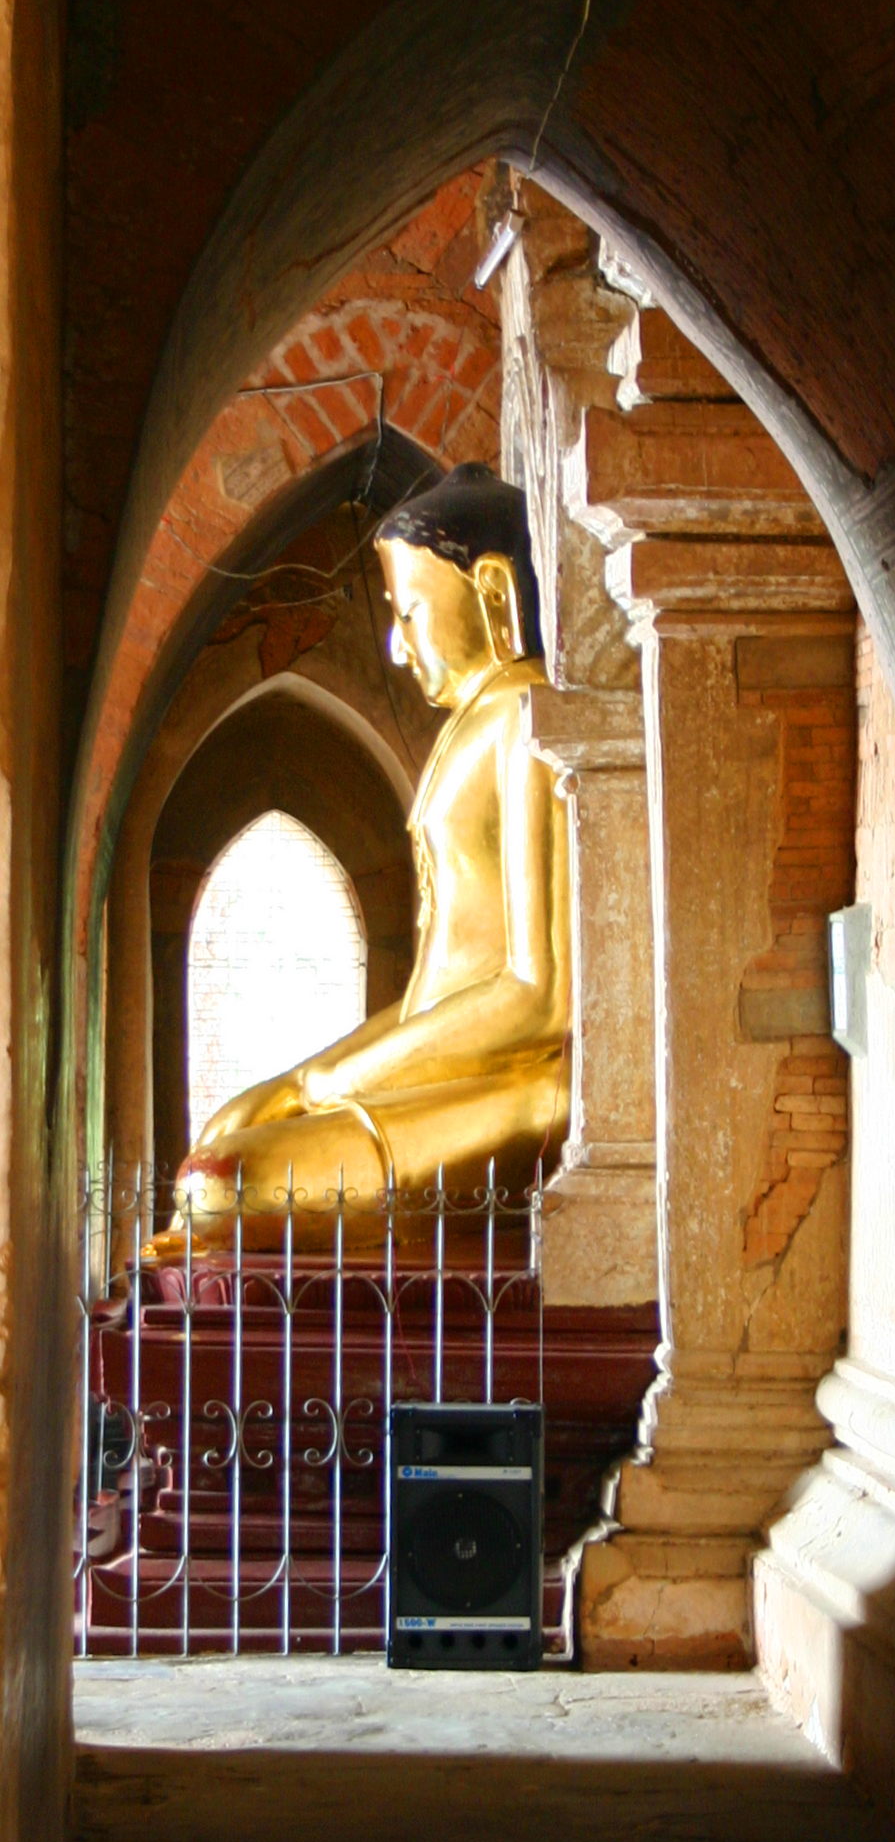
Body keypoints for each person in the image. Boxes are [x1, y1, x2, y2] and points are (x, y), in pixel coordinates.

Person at [153, 465, 571, 1255]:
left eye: (409, 614)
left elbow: (536, 996)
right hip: (456, 1069)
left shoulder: (526, 715)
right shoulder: (472, 728)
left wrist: (322, 1085)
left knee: (222, 1181)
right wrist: (296, 1084)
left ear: (491, 592)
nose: (396, 645)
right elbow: (426, 1001)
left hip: (525, 1086)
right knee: (221, 1138)